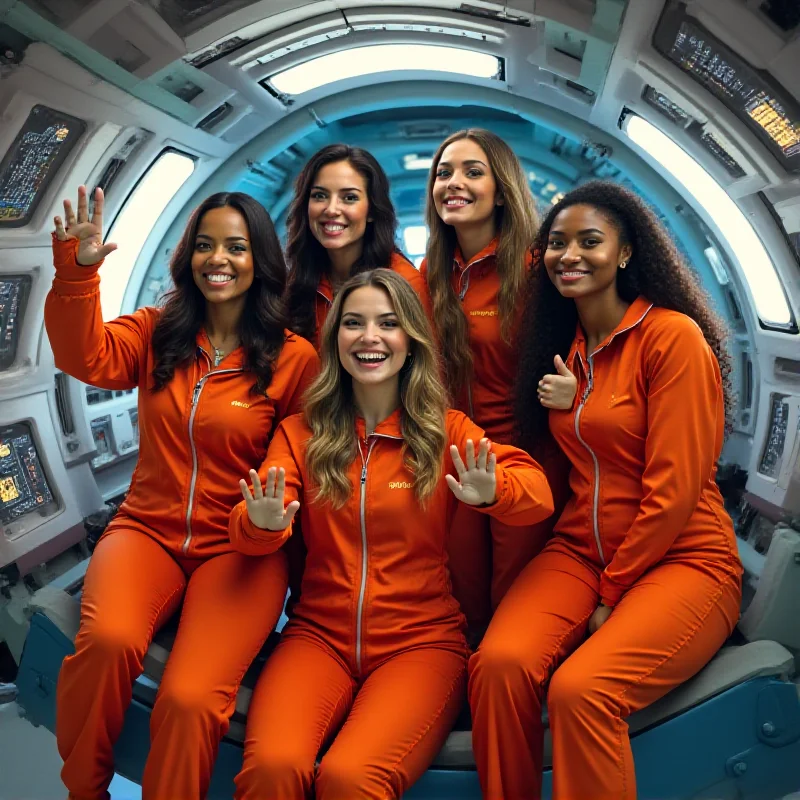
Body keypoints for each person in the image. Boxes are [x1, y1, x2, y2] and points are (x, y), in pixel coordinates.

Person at [228, 269, 554, 799]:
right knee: (272, 769)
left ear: (412, 342)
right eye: (353, 323)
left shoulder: (447, 430)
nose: (370, 337)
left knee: (349, 780)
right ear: (335, 340)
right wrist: (260, 526)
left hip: (422, 645)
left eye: (388, 323)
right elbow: (249, 527)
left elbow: (537, 495)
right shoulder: (300, 433)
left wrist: (494, 492)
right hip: (317, 640)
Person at [469, 180, 743, 800]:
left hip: (683, 559)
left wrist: (613, 591)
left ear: (624, 253)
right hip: (580, 553)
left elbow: (673, 491)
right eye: (558, 243)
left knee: (582, 690)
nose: (572, 255)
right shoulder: (564, 350)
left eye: (590, 241)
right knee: (497, 666)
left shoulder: (672, 338)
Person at [47, 186, 318, 800]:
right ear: (188, 258)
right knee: (108, 644)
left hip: (241, 550)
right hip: (146, 531)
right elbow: (82, 354)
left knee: (193, 699)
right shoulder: (155, 332)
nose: (217, 259)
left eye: (236, 247)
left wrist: (266, 525)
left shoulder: (293, 358)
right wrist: (78, 273)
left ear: (261, 261)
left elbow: (293, 464)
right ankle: (83, 789)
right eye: (204, 245)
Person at [422, 128, 575, 641]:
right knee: (463, 594)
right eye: (444, 173)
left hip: (527, 458)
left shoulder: (537, 268)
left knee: (513, 601)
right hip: (461, 458)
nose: (454, 183)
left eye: (472, 171)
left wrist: (578, 393)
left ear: (502, 187)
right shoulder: (433, 272)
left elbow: (589, 343)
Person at [284, 143, 432, 350]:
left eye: (349, 198)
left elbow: (427, 371)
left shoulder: (405, 283)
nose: (332, 209)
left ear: (372, 211)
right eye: (319, 195)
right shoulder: (299, 280)